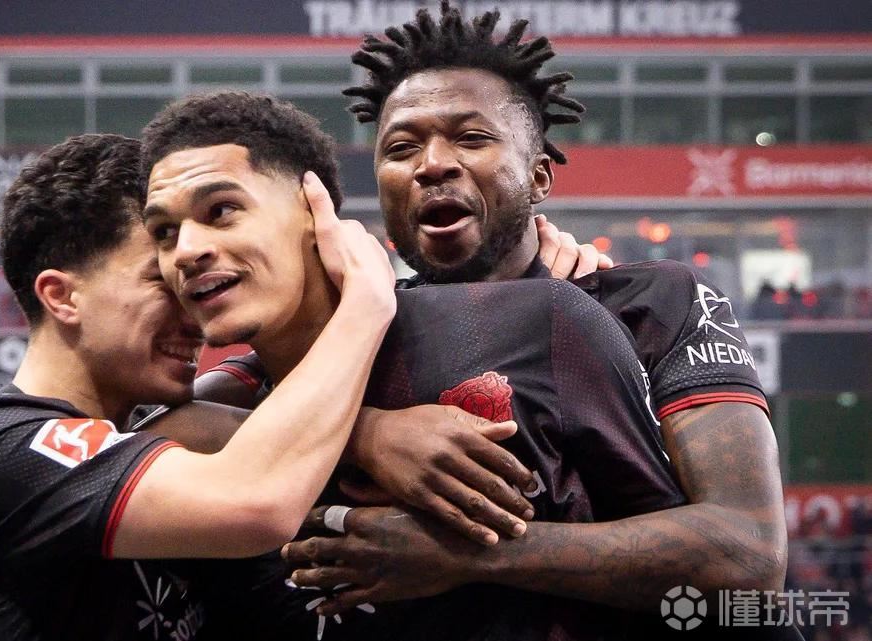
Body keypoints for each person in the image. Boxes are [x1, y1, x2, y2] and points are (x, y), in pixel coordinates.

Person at [274, 3, 792, 639]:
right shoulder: (357, 328)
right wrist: (369, 435)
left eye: (471, 138)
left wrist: (470, 555)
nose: (431, 164)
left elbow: (748, 556)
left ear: (539, 175)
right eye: (401, 148)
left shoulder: (655, 304)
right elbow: (191, 422)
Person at [139, 90, 688, 640]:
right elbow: (142, 436)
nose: (185, 251)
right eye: (164, 232)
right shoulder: (207, 419)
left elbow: (697, 576)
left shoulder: (537, 323)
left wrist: (480, 554)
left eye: (222, 211)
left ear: (313, 210)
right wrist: (364, 435)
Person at [0, 133, 399, 640]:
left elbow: (269, 400)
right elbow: (253, 500)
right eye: (162, 283)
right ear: (62, 297)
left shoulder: (163, 427)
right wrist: (365, 303)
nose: (191, 310)